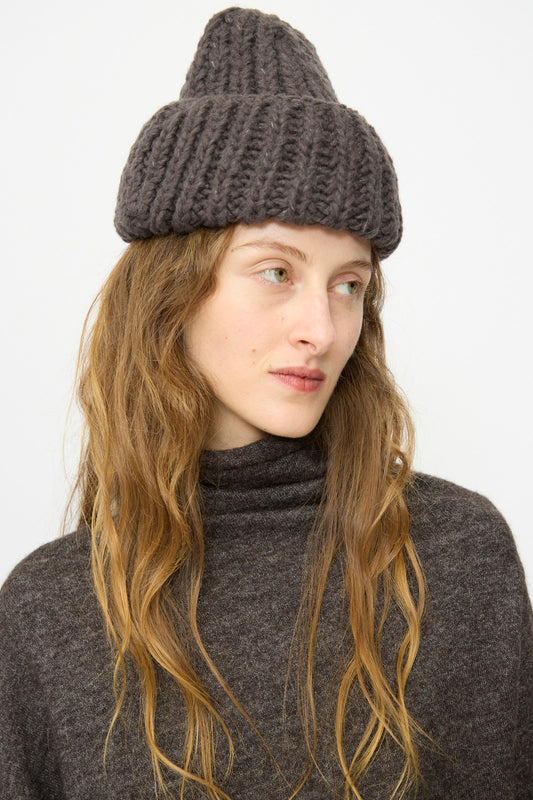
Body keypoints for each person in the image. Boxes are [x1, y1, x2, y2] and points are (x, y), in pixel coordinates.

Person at [0, 7, 531, 800]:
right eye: (276, 272)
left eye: (347, 284)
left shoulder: (452, 557)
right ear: (173, 291)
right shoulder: (49, 612)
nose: (322, 328)